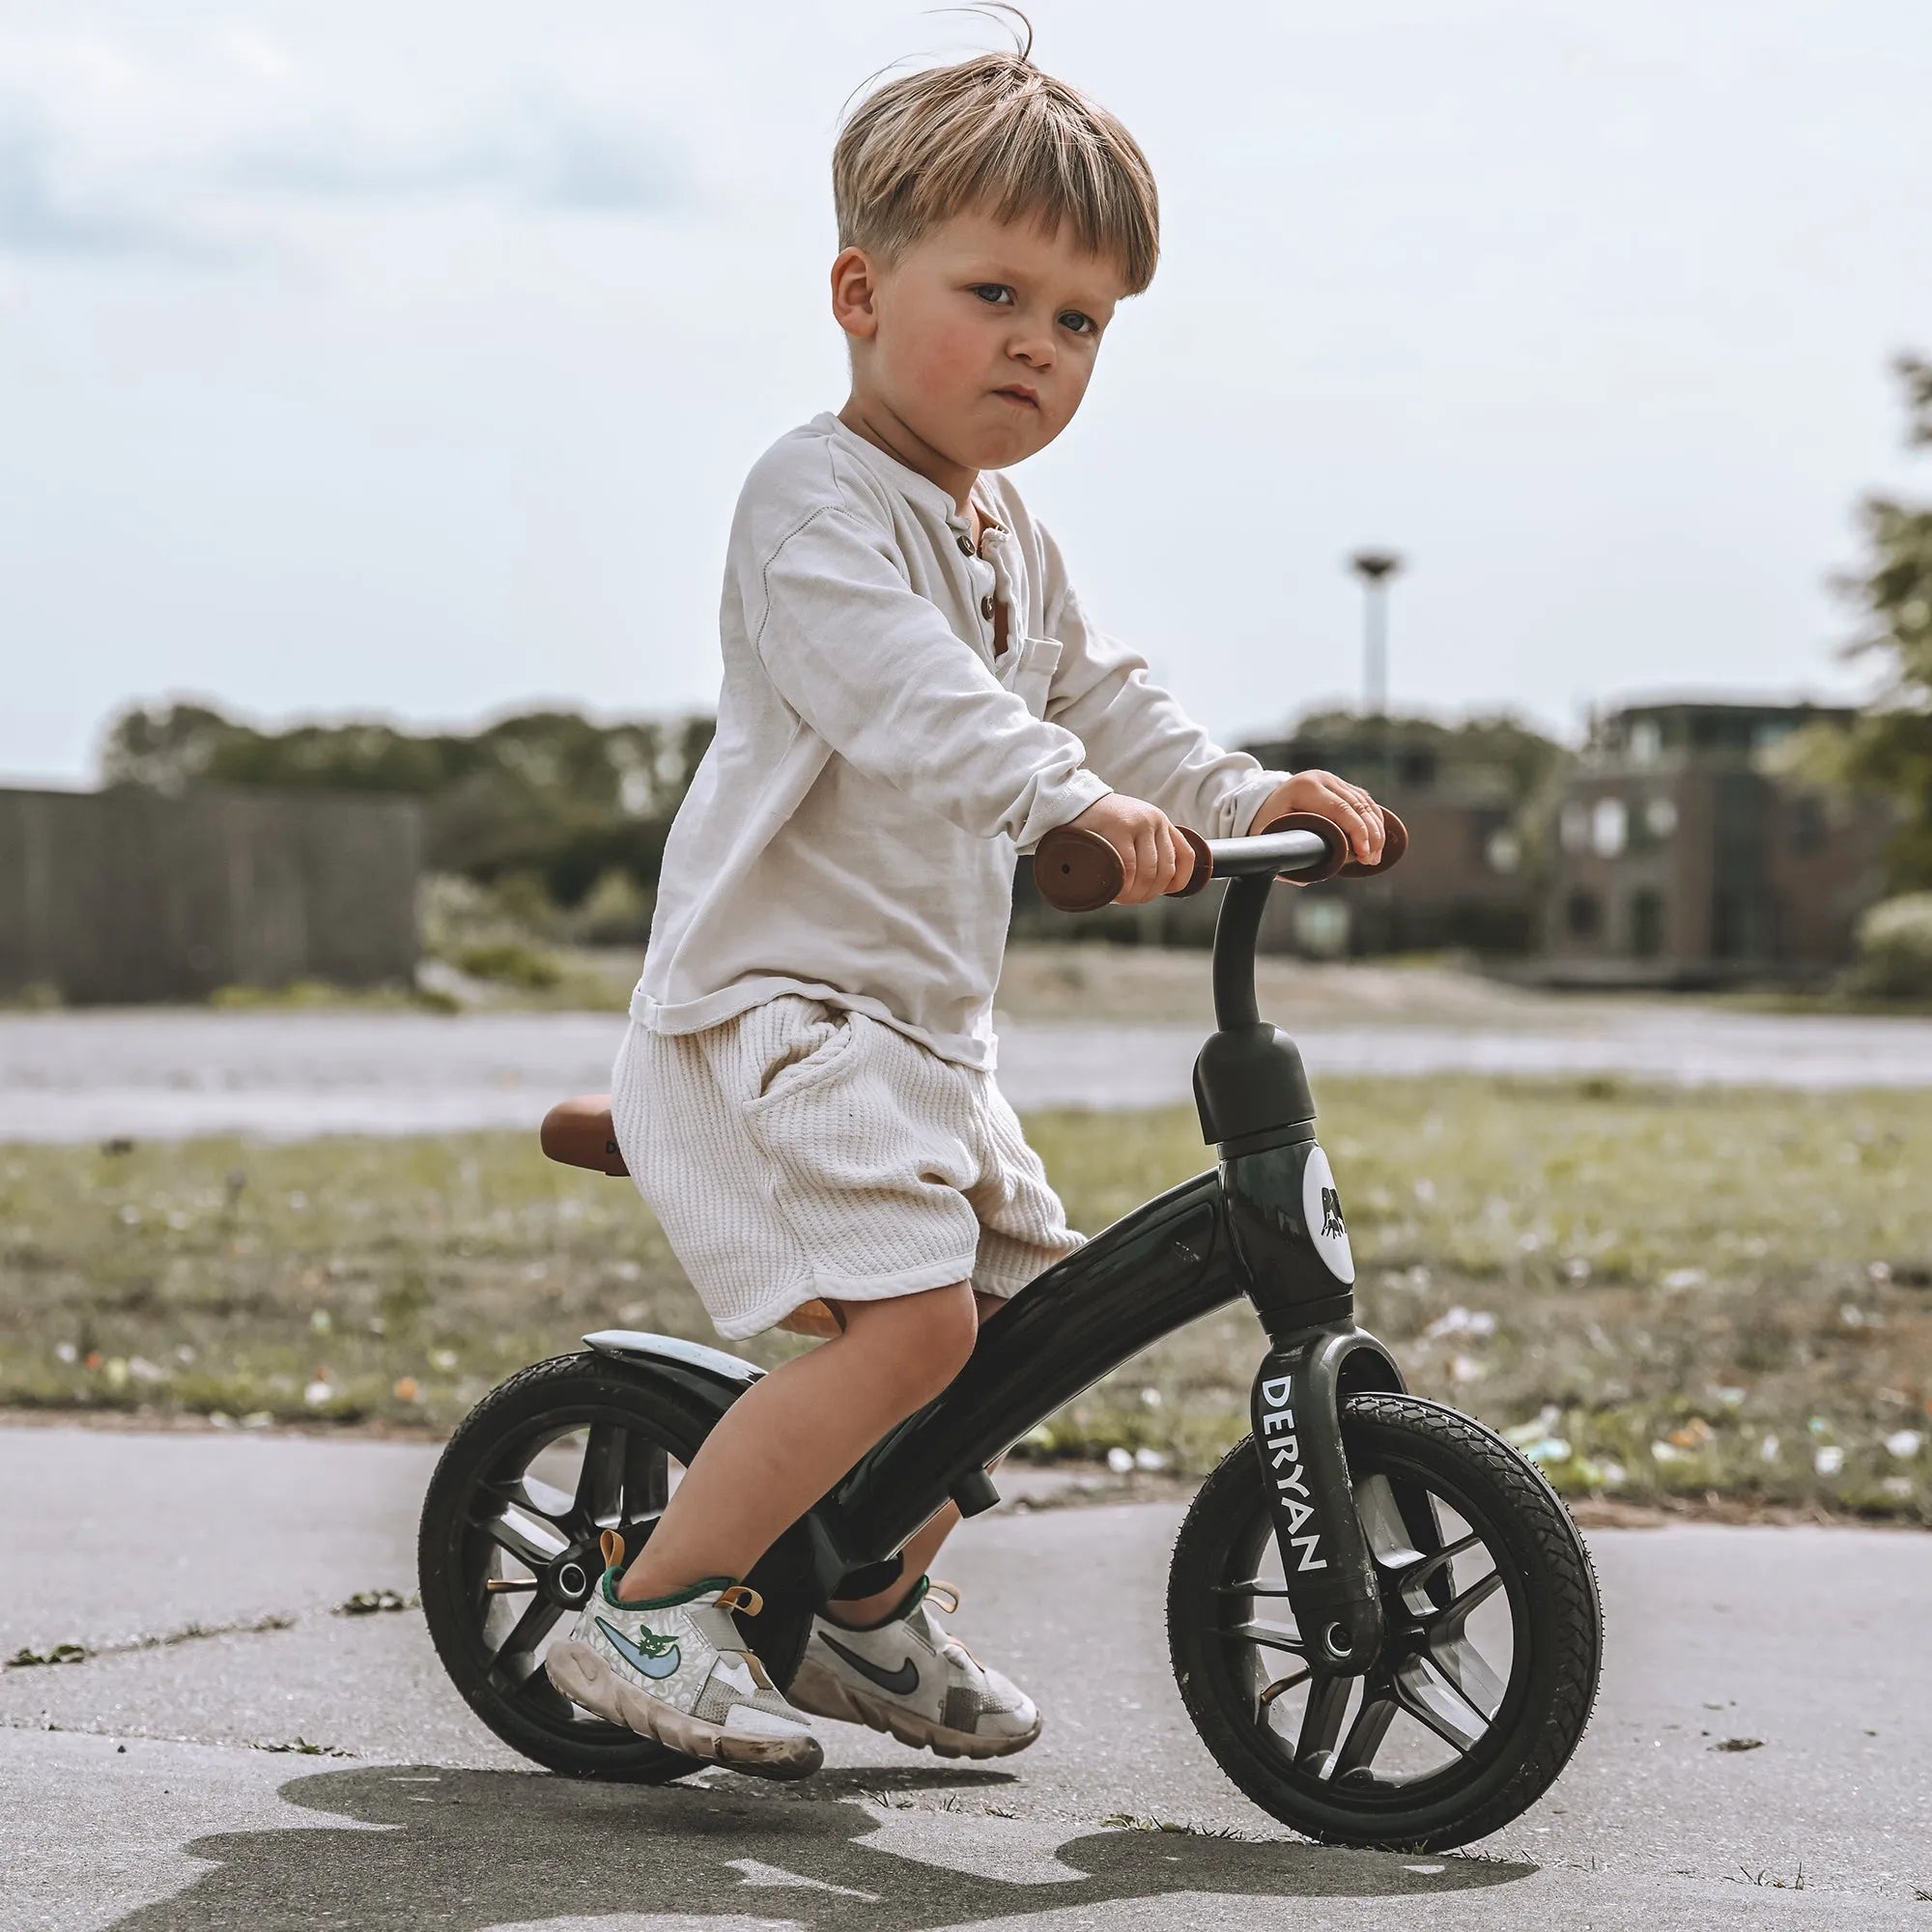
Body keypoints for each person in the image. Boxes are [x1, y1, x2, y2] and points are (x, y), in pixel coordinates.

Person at [543, 22, 1387, 1780]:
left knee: (1013, 1337)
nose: (1039, 346)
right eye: (997, 293)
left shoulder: (1008, 530)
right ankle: (645, 1611)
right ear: (859, 288)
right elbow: (912, 697)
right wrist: (1060, 800)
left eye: (1080, 323)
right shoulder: (814, 503)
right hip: (774, 1007)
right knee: (918, 1326)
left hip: (920, 1034)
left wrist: (1241, 797)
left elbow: (1110, 699)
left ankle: (854, 1609)